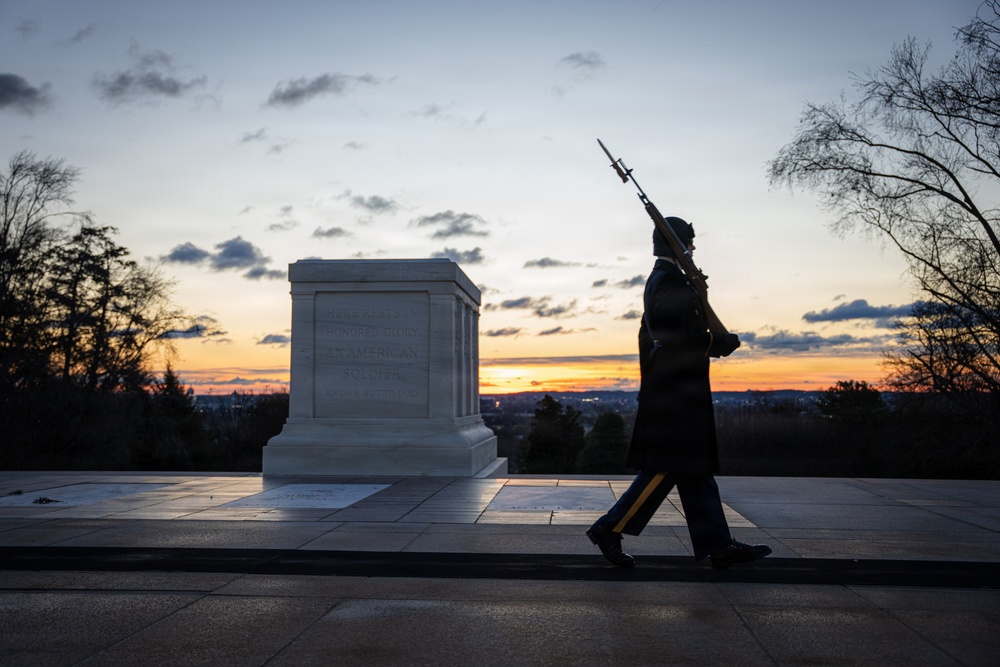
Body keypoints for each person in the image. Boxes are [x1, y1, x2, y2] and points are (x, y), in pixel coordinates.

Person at [587, 216, 771, 569]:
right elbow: (673, 338)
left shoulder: (666, 280)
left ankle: (718, 545)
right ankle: (609, 528)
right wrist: (715, 343)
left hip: (672, 388)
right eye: (690, 241)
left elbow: (647, 337)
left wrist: (648, 384)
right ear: (678, 245)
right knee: (666, 467)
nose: (694, 247)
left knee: (694, 469)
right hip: (677, 392)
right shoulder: (669, 281)